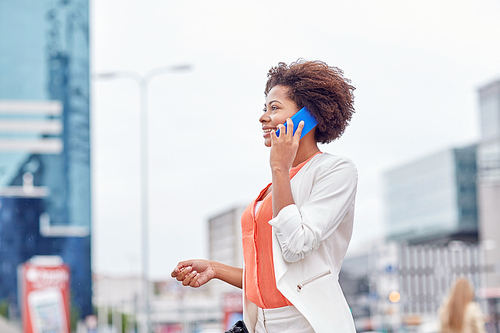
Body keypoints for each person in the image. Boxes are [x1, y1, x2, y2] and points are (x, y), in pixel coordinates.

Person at [171, 59, 357, 333]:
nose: (263, 117)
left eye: (274, 108)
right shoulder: (273, 186)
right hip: (263, 324)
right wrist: (215, 269)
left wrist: (280, 166)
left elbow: (296, 245)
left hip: (307, 324)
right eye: (264, 108)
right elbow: (274, 276)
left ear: (308, 116)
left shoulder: (335, 171)